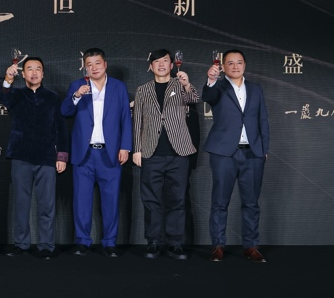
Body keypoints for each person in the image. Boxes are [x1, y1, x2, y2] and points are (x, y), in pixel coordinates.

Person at [61, 47, 132, 257]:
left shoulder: (118, 87)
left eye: (97, 63)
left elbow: (125, 118)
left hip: (110, 153)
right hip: (84, 154)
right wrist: (76, 96)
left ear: (105, 64)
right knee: (81, 201)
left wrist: (125, 146)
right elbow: (65, 111)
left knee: (111, 201)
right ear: (85, 67)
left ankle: (109, 242)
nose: (93, 68)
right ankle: (82, 241)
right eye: (89, 65)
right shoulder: (77, 85)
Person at [202, 49, 269, 262]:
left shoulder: (256, 89)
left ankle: (251, 247)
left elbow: (263, 120)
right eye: (230, 63)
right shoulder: (217, 87)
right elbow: (208, 97)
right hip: (223, 153)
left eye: (239, 62)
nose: (235, 66)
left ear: (245, 65)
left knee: (251, 203)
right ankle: (218, 246)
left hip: (253, 153)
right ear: (223, 66)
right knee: (220, 202)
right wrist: (211, 80)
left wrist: (263, 149)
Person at [132, 49, 199, 260]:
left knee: (177, 200)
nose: (161, 64)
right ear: (150, 66)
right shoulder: (142, 90)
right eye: (156, 61)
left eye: (165, 61)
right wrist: (137, 150)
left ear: (172, 65)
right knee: (151, 200)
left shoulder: (180, 85)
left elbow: (194, 99)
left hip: (179, 153)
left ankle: (175, 243)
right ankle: (153, 242)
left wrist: (186, 84)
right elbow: (137, 122)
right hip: (151, 153)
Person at [0, 56, 69, 259]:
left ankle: (46, 245)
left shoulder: (52, 97)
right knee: (21, 203)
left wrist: (62, 156)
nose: (34, 72)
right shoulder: (16, 95)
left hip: (46, 157)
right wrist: (8, 79)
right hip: (21, 156)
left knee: (47, 205)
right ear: (23, 74)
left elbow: (61, 128)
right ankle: (21, 244)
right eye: (29, 68)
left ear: (43, 74)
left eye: (38, 69)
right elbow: (3, 97)